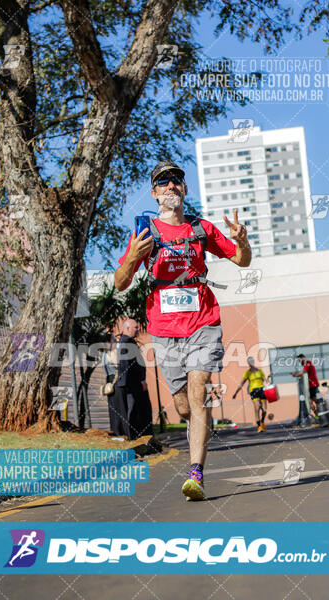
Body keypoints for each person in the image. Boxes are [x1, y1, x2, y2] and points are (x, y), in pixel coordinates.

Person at [114, 160, 251, 500]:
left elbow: (242, 260)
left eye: (176, 180)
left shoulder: (201, 228)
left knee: (199, 388)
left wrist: (242, 241)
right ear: (154, 193)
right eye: (163, 182)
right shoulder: (145, 233)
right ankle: (194, 426)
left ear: (185, 189)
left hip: (203, 321)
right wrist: (132, 257)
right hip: (163, 328)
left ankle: (196, 474)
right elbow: (120, 283)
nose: (171, 186)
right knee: (184, 406)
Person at [116, 319, 153, 440]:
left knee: (136, 410)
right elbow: (127, 364)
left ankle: (137, 437)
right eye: (136, 328)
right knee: (135, 411)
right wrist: (140, 380)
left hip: (132, 383)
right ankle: (135, 438)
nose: (138, 330)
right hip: (133, 384)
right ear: (127, 328)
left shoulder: (128, 342)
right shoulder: (127, 342)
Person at [232, 357, 271, 432]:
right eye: (250, 361)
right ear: (248, 363)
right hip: (253, 391)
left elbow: (266, 381)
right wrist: (236, 393)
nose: (251, 362)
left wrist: (268, 377)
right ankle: (259, 426)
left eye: (252, 361)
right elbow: (241, 383)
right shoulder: (247, 373)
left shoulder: (260, 371)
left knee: (264, 410)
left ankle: (262, 421)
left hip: (262, 390)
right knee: (257, 408)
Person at [102, 334, 129, 437]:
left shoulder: (104, 354)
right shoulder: (112, 353)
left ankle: (116, 431)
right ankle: (124, 433)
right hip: (116, 382)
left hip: (109, 382)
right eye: (114, 339)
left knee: (114, 410)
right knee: (121, 409)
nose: (116, 341)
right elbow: (119, 365)